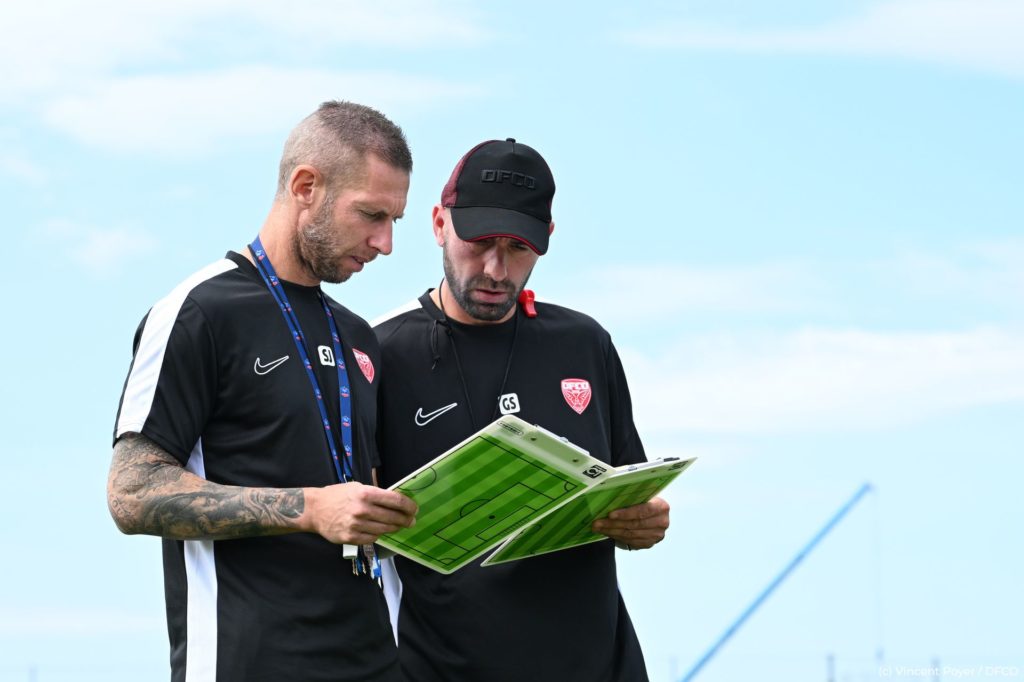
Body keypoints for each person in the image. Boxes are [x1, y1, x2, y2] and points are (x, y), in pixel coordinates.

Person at [107, 100, 419, 682]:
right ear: (306, 187)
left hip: (373, 661)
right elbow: (132, 493)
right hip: (247, 662)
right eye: (371, 214)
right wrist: (310, 509)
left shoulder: (358, 336)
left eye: (394, 220)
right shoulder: (198, 312)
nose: (385, 242)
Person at [373, 138, 671, 682]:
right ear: (439, 224)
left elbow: (631, 493)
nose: (496, 269)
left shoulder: (584, 343)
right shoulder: (379, 355)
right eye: (480, 243)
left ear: (547, 238)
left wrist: (643, 522)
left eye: (518, 248)